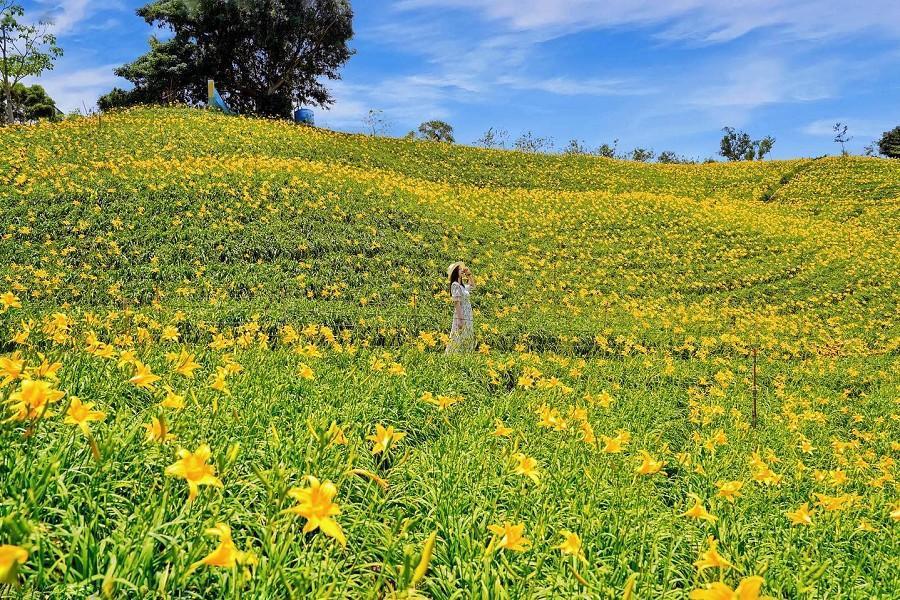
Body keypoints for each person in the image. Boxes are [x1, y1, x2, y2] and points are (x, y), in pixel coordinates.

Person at [446, 261, 475, 353]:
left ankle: (465, 354)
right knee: (458, 335)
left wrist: (469, 274)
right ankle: (454, 355)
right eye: (459, 269)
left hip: (467, 313)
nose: (462, 270)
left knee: (467, 334)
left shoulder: (462, 286)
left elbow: (473, 286)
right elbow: (457, 303)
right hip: (461, 314)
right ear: (455, 272)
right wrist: (460, 319)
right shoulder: (455, 285)